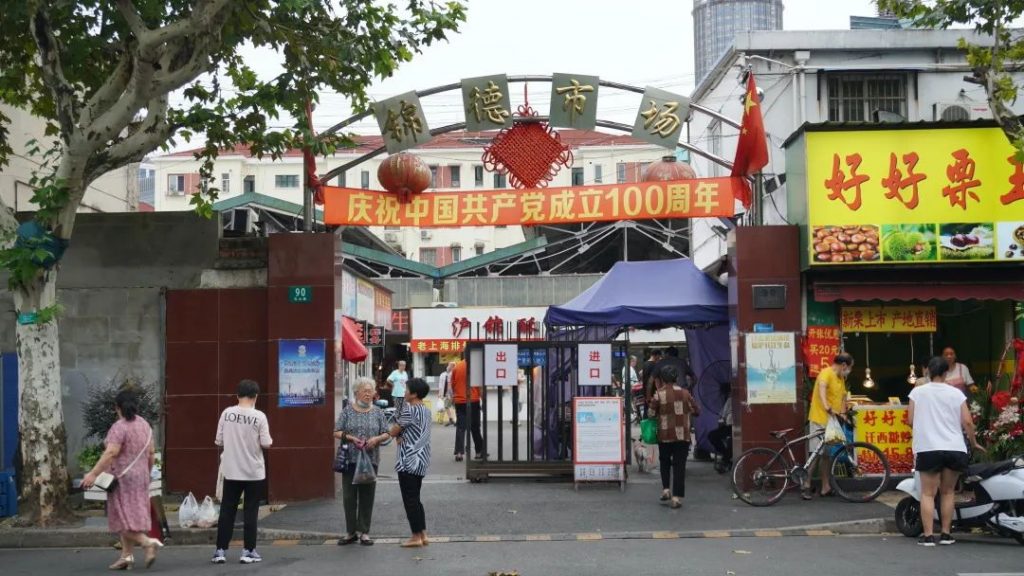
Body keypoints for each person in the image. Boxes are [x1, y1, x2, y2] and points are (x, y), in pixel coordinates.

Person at [909, 356, 985, 546]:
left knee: (927, 493)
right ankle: (945, 534)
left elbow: (910, 420)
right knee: (948, 492)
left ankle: (928, 536)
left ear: (928, 371)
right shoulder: (956, 393)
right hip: (954, 447)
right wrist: (974, 442)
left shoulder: (917, 392)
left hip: (928, 448)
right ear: (945, 373)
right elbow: (967, 422)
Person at [82, 388, 161, 570]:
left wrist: (93, 474)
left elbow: (111, 452)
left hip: (122, 479)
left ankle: (148, 542)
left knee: (121, 519)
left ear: (117, 408)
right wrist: (147, 473)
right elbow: (151, 453)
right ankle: (126, 557)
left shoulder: (119, 427)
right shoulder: (145, 425)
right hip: (141, 477)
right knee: (131, 517)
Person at [211, 379, 273, 564]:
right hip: (253, 472)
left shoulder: (227, 413)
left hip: (231, 470)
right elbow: (266, 443)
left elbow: (219, 440)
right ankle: (248, 551)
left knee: (227, 510)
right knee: (250, 511)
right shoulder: (259, 417)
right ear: (255, 396)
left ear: (237, 395)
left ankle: (220, 551)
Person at [333, 377, 390, 546]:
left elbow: (387, 433)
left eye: (370, 391)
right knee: (349, 497)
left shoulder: (378, 412)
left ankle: (364, 532)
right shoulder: (347, 411)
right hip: (350, 460)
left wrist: (376, 439)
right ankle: (351, 532)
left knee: (367, 496)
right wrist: (351, 438)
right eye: (364, 391)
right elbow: (336, 431)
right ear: (356, 393)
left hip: (370, 461)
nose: (368, 394)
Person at [388, 377, 433, 548]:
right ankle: (423, 534)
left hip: (408, 460)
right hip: (421, 460)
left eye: (406, 390)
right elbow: (411, 430)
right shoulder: (426, 411)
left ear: (414, 394)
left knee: (410, 500)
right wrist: (401, 434)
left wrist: (395, 434)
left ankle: (415, 536)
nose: (404, 392)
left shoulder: (410, 410)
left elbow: (393, 430)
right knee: (416, 498)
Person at [648, 364, 699, 509]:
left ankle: (666, 490)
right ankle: (676, 498)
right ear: (676, 378)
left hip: (664, 435)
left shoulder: (659, 394)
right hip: (682, 436)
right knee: (679, 465)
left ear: (662, 379)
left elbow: (651, 414)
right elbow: (696, 411)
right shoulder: (685, 393)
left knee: (664, 462)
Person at [803, 352, 853, 500]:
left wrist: (844, 415)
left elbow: (842, 398)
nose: (849, 371)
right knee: (815, 454)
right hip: (819, 419)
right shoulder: (826, 373)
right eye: (850, 367)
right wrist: (826, 405)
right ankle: (806, 485)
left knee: (826, 455)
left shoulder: (841, 379)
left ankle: (825, 487)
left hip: (831, 423)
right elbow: (822, 388)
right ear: (843, 365)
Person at [451, 358, 484, 461]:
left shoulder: (457, 367)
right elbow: (480, 387)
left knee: (461, 427)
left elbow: (452, 384)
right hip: (473, 400)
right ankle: (479, 452)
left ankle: (459, 453)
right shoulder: (476, 367)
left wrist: (456, 395)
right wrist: (483, 400)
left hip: (460, 401)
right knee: (475, 427)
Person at [709, 386, 733, 473]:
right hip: (727, 426)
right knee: (712, 436)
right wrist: (723, 420)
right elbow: (722, 415)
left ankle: (726, 460)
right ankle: (725, 455)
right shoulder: (729, 401)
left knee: (732, 441)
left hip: (735, 427)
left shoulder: (737, 400)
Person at [640, 349, 663, 419]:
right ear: (657, 355)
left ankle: (645, 425)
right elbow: (655, 381)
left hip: (645, 392)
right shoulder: (654, 365)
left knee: (647, 413)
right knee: (653, 414)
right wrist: (659, 392)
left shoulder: (645, 364)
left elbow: (642, 375)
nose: (659, 358)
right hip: (652, 393)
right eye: (659, 356)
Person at [439, 362, 457, 426]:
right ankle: (451, 419)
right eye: (448, 365)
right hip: (446, 394)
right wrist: (440, 393)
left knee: (456, 407)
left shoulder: (455, 373)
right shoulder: (443, 374)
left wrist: (452, 395)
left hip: (454, 394)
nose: (448, 367)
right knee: (446, 406)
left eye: (450, 366)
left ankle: (456, 420)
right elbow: (441, 384)